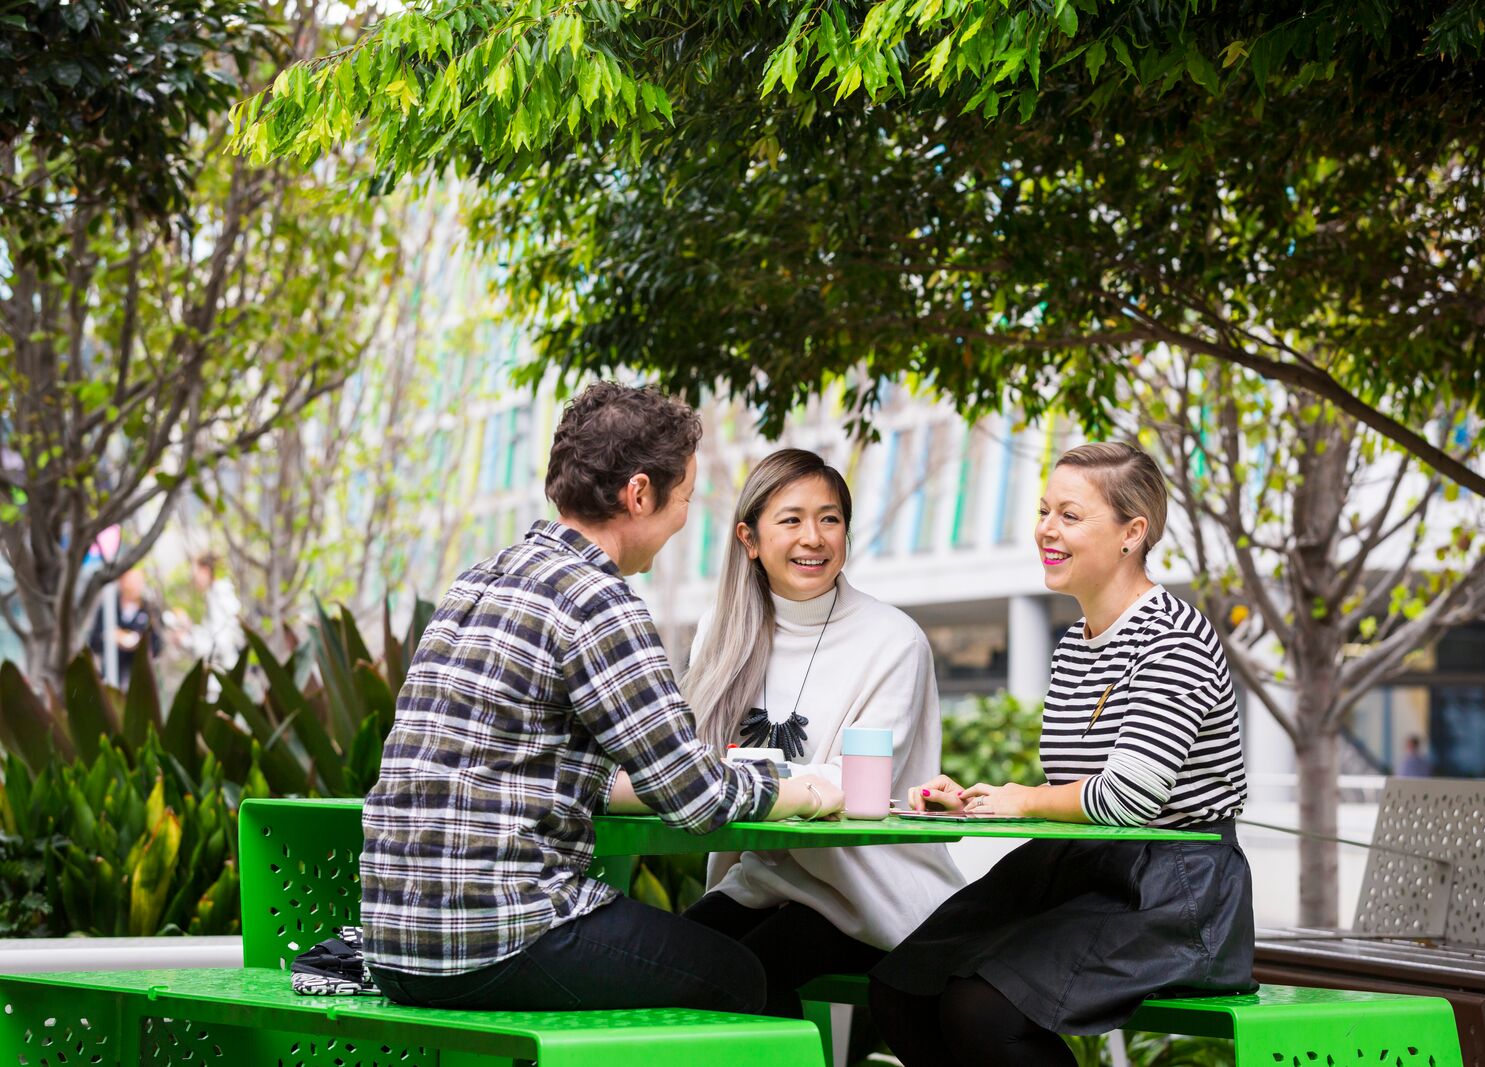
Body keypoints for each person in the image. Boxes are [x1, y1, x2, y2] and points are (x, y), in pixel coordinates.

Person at [360, 382, 844, 1016]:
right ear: (640, 493)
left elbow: (519, 767)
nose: (682, 520)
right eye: (686, 499)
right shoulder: (596, 599)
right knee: (738, 977)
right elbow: (695, 797)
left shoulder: (481, 579)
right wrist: (802, 792)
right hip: (500, 936)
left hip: (394, 944)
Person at [869, 442, 1255, 1067]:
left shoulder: (1175, 637)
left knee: (982, 1011)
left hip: (1174, 890)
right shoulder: (1077, 641)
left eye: (1070, 516)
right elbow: (1077, 790)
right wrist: (978, 801)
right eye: (1045, 510)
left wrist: (1021, 801)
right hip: (1083, 867)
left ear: (1134, 533)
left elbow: (1127, 797)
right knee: (902, 988)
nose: (1046, 529)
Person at [666, 448, 965, 1018]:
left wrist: (740, 780)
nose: (814, 537)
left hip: (865, 891)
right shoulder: (721, 631)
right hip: (764, 881)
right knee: (666, 961)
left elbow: (850, 783)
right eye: (791, 519)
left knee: (737, 983)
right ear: (749, 539)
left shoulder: (892, 640)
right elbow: (694, 760)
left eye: (829, 519)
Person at [88, 568, 163, 686]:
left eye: (138, 582)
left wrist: (139, 642)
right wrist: (111, 637)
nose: (134, 587)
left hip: (139, 681)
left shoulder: (150, 611)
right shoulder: (108, 609)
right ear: (121, 582)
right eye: (131, 582)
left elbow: (157, 645)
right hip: (110, 678)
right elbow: (94, 641)